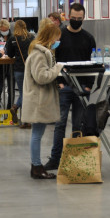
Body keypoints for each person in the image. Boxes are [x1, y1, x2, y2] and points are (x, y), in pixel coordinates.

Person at [46, 3, 96, 170]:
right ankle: (55, 159)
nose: (76, 21)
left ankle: (74, 160)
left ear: (83, 18)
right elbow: (53, 61)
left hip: (82, 88)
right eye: (73, 18)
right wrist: (58, 82)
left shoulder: (89, 38)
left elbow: (92, 62)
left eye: (79, 19)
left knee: (78, 125)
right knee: (59, 125)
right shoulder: (60, 36)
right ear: (68, 16)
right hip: (64, 87)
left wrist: (88, 86)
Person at [21, 23, 64, 179]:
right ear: (51, 37)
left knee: (36, 134)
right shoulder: (40, 54)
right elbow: (41, 77)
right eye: (57, 37)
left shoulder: (38, 51)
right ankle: (37, 167)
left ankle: (36, 166)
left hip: (38, 98)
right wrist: (57, 68)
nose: (59, 40)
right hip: (38, 99)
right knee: (37, 134)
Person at [6, 20, 34, 128]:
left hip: (18, 69)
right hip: (30, 69)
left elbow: (9, 54)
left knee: (23, 93)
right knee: (28, 94)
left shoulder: (13, 39)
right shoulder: (31, 37)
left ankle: (16, 109)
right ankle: (24, 119)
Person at [0, 19, 12, 110]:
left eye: (5, 30)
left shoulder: (13, 37)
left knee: (11, 89)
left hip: (10, 66)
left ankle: (10, 108)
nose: (4, 32)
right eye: (2, 30)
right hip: (0, 65)